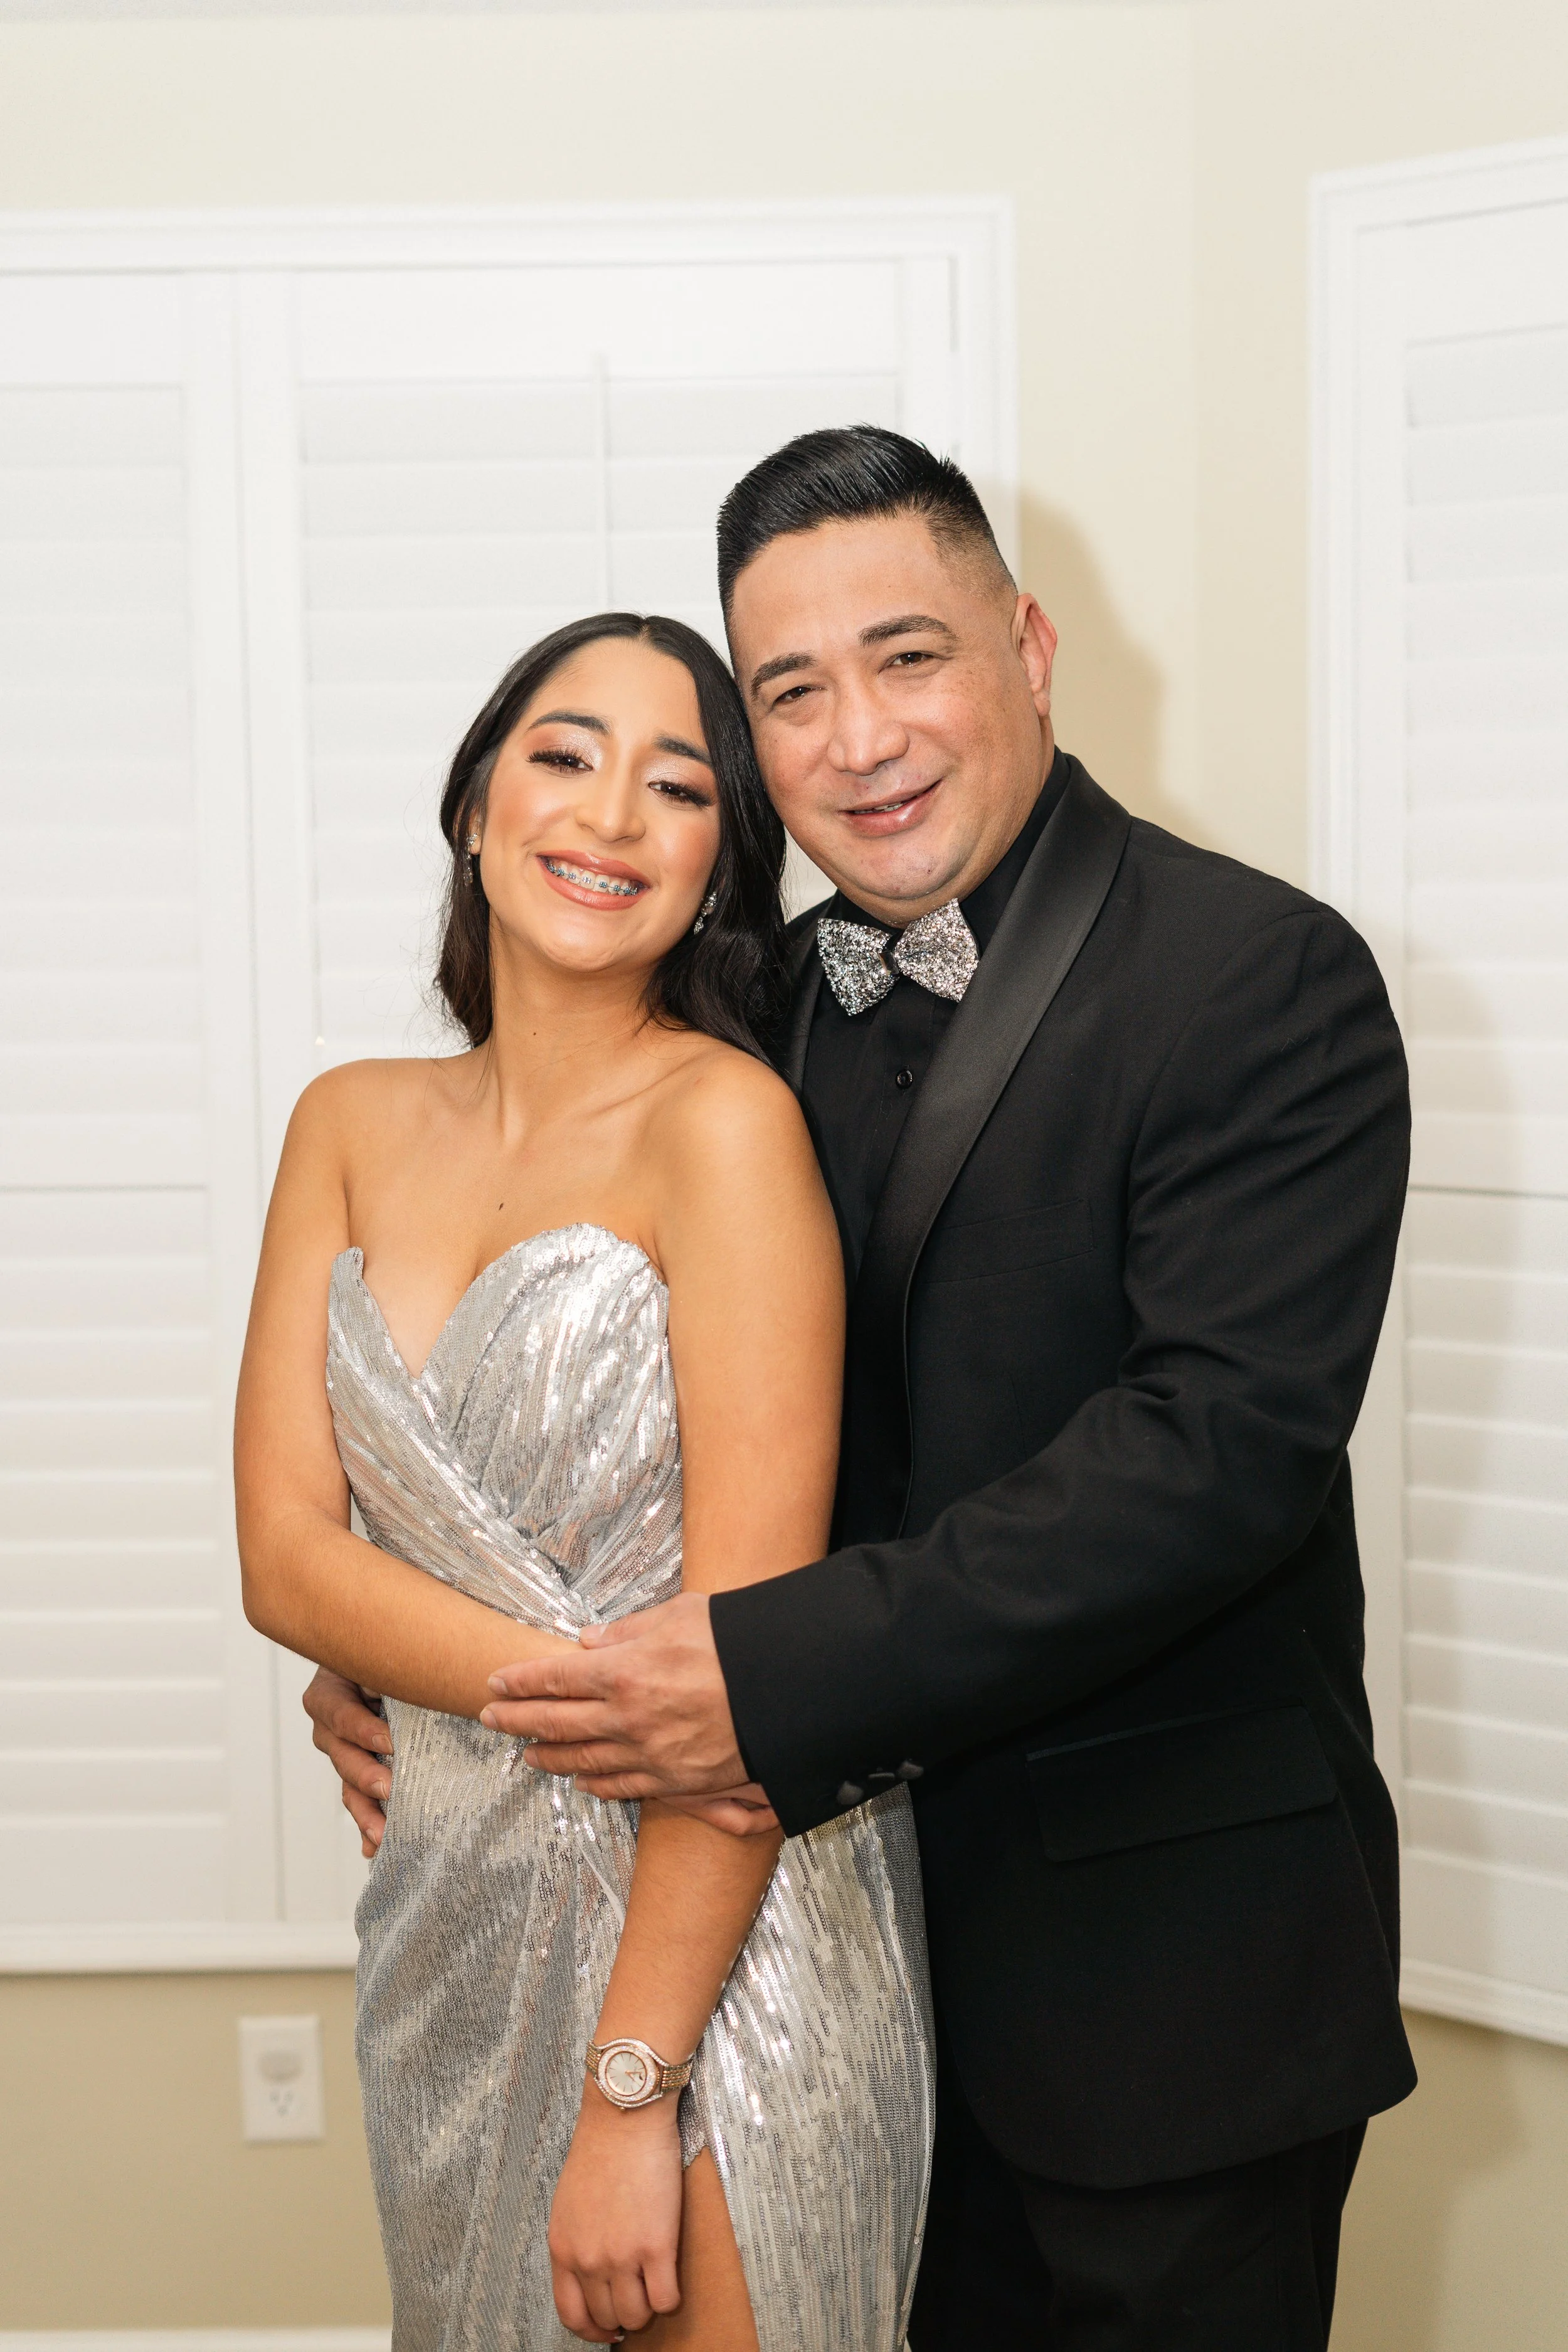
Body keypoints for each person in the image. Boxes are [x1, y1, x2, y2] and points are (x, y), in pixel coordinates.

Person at [310, 426, 1418, 2348]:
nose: (858, 737)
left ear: (1028, 647)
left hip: (1156, 1986)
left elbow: (1208, 1459)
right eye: (789, 692)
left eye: (908, 656)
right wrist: (424, 1654)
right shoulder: (746, 1012)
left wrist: (759, 1675)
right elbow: (658, 1444)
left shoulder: (1258, 975)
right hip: (812, 1972)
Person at [236, 610, 933, 2352]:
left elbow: (748, 1667)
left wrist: (635, 2090)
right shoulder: (342, 1118)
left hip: (722, 1950)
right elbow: (280, 1559)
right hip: (449, 1925)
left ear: (716, 869)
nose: (610, 812)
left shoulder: (725, 1125)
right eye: (563, 754)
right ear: (478, 804)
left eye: (677, 784)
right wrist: (615, 1687)